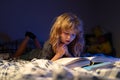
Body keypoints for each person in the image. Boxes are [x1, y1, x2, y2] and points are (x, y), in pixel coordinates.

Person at [13, 12, 84, 61]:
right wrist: (58, 55)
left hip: (42, 51)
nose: (69, 38)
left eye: (73, 34)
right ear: (58, 32)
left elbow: (74, 60)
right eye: (66, 33)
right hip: (34, 55)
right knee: (16, 57)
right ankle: (28, 37)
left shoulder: (73, 43)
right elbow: (44, 64)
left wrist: (67, 54)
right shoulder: (49, 43)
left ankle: (34, 38)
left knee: (41, 50)